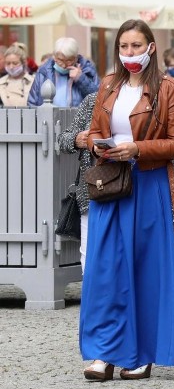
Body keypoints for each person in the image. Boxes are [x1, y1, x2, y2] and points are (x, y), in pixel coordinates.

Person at [80, 18, 174, 381]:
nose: (129, 53)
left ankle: (141, 353)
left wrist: (137, 148)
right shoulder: (108, 85)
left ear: (150, 48)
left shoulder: (169, 88)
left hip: (148, 182)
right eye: (124, 47)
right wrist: (97, 142)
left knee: (146, 270)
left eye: (136, 46)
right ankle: (102, 351)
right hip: (111, 183)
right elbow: (96, 128)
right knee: (103, 270)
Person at [57, 93, 97, 272]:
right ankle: (92, 298)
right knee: (89, 252)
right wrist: (76, 139)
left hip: (126, 188)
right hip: (90, 190)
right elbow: (64, 139)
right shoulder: (92, 101)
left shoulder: (140, 101)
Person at [29, 37, 100, 107]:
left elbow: (98, 100)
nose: (64, 65)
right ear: (54, 56)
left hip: (77, 118)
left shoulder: (87, 70)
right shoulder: (43, 72)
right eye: (60, 60)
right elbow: (32, 102)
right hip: (48, 117)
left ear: (76, 58)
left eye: (69, 60)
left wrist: (81, 79)